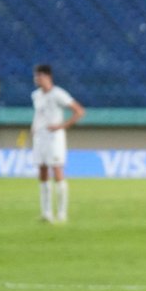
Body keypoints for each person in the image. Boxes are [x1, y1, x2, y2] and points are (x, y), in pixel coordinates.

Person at [31, 64, 85, 223]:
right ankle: (46, 213)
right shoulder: (36, 95)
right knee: (42, 171)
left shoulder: (58, 94)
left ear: (48, 77)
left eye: (39, 76)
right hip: (40, 137)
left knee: (57, 170)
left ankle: (62, 214)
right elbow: (39, 114)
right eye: (36, 76)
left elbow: (79, 111)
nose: (36, 79)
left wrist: (61, 126)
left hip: (54, 138)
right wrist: (33, 126)